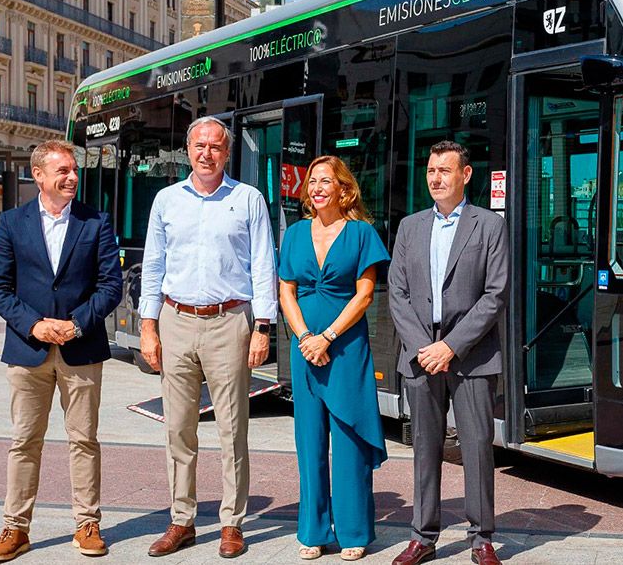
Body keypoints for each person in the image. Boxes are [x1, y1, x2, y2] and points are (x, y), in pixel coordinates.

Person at [138, 116, 275, 559]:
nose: (206, 153)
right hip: (176, 320)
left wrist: (263, 327)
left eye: (215, 147)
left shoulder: (248, 199)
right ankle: (182, 520)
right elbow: (153, 266)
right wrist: (148, 325)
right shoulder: (166, 200)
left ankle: (232, 523)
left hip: (229, 322)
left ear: (227, 152)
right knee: (178, 428)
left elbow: (263, 265)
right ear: (188, 149)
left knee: (232, 429)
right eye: (199, 146)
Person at [0, 140, 122, 562]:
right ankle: (15, 528)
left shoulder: (96, 222)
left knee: (84, 440)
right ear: (38, 175)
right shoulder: (12, 223)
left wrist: (77, 323)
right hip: (28, 350)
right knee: (25, 441)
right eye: (62, 170)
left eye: (74, 170)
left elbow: (111, 286)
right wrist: (35, 324)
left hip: (82, 350)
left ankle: (87, 523)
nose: (72, 177)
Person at [388, 141, 509, 565]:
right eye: (430, 171)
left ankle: (481, 539)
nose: (435, 178)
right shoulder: (410, 226)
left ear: (466, 175)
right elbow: (397, 294)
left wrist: (451, 346)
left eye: (444, 170)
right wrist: (425, 347)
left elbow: (495, 295)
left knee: (476, 446)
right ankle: (423, 535)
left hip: (471, 354)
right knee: (424, 445)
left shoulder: (488, 225)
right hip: (421, 353)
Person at [278, 155, 389, 561]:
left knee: (348, 441)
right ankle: (314, 531)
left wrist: (327, 336)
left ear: (344, 189)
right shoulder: (293, 235)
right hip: (304, 349)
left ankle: (354, 530)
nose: (317, 188)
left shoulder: (361, 234)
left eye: (326, 181)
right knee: (309, 442)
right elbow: (286, 291)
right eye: (312, 182)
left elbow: (364, 294)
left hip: (345, 347)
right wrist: (305, 336)